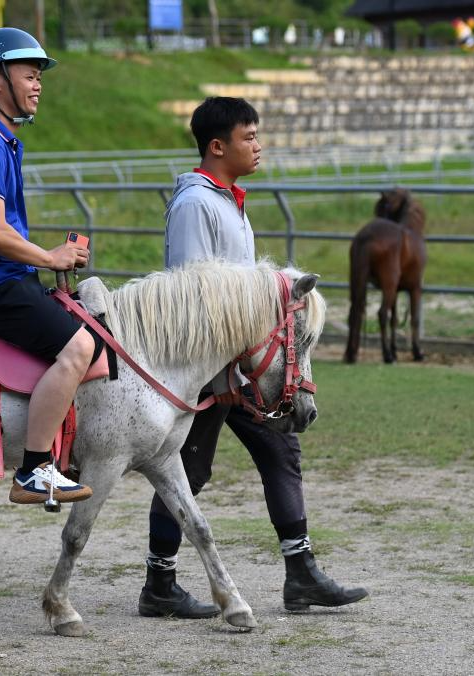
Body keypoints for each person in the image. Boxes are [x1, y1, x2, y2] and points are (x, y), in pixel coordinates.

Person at [138, 97, 369, 618]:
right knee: (186, 471)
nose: (258, 145)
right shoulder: (196, 205)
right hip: (208, 371)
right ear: (218, 147)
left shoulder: (228, 200)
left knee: (280, 450)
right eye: (249, 137)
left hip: (243, 368)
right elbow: (192, 294)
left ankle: (301, 573)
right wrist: (226, 369)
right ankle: (159, 583)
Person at [0, 27, 98, 506]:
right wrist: (49, 257)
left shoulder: (1, 139)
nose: (38, 84)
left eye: (39, 77)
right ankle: (34, 470)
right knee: (78, 348)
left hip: (1, 278)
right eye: (29, 75)